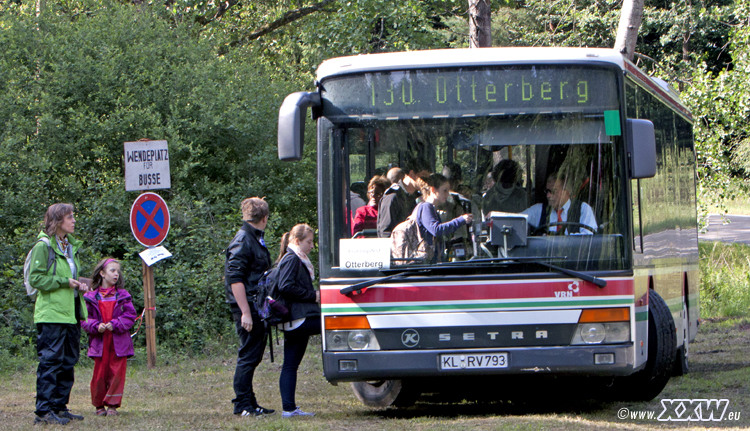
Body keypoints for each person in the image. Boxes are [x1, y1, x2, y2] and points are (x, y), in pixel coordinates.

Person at [29, 203, 89, 425]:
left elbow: (69, 277)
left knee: (68, 360)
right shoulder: (43, 246)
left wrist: (80, 285)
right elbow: (35, 279)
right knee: (51, 361)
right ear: (57, 220)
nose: (74, 221)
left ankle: (59, 407)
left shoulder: (69, 245)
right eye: (69, 217)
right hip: (52, 313)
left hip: (71, 311)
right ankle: (43, 412)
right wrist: (65, 282)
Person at [224, 197, 275, 417]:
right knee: (248, 355)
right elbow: (235, 278)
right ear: (264, 218)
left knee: (253, 354)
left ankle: (250, 402)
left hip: (256, 304)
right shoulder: (243, 239)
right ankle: (241, 404)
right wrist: (245, 312)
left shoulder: (253, 238)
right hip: (248, 306)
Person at [276, 224, 321, 418]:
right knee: (335, 323)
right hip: (297, 318)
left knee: (290, 364)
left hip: (297, 319)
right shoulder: (292, 259)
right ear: (297, 241)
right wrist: (312, 296)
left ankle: (289, 408)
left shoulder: (297, 259)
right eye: (308, 242)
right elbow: (285, 287)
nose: (312, 246)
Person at [82, 258, 136, 417]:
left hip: (119, 342)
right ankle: (99, 406)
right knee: (99, 375)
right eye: (112, 270)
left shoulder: (124, 295)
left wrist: (116, 323)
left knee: (117, 373)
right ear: (102, 273)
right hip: (99, 342)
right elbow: (84, 318)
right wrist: (95, 326)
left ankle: (112, 406)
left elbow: (130, 315)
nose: (116, 274)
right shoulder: (91, 296)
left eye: (118, 272)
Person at [414, 174, 473, 262]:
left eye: (448, 191)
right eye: (444, 190)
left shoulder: (432, 208)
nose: (447, 194)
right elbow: (436, 229)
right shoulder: (426, 207)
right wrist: (460, 220)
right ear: (433, 190)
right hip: (426, 262)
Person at [521, 173, 597, 235]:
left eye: (553, 191)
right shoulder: (539, 210)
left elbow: (588, 240)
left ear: (567, 191)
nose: (548, 196)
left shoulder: (583, 209)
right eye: (547, 191)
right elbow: (515, 221)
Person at [377, 162, 427, 238]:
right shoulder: (392, 197)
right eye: (423, 176)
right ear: (412, 173)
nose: (426, 181)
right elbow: (385, 233)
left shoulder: (416, 197)